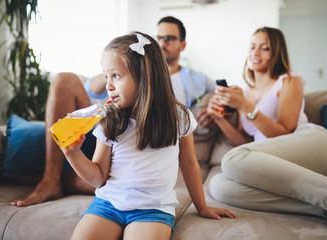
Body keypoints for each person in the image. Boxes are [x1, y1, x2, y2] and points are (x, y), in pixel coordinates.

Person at [9, 16, 214, 207]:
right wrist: (116, 70)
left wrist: (216, 107)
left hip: (143, 141)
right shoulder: (124, 70)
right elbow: (90, 88)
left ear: (182, 44)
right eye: (159, 37)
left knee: (99, 179)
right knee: (64, 79)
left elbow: (218, 93)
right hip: (106, 128)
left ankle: (56, 178)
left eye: (170, 38)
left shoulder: (194, 80)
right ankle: (51, 177)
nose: (163, 42)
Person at [61, 32, 236, 239]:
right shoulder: (110, 120)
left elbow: (189, 164)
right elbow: (98, 178)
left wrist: (202, 206)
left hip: (152, 209)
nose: (108, 85)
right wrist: (72, 154)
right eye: (106, 76)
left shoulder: (178, 116)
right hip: (108, 204)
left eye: (115, 75)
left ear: (144, 75)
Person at [206, 26, 327, 221]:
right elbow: (246, 143)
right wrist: (219, 119)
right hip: (278, 161)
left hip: (313, 144)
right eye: (252, 46)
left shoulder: (289, 81)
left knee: (230, 160)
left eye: (265, 48)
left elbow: (285, 132)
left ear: (277, 53)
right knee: (219, 185)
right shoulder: (246, 92)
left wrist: (245, 106)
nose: (255, 53)